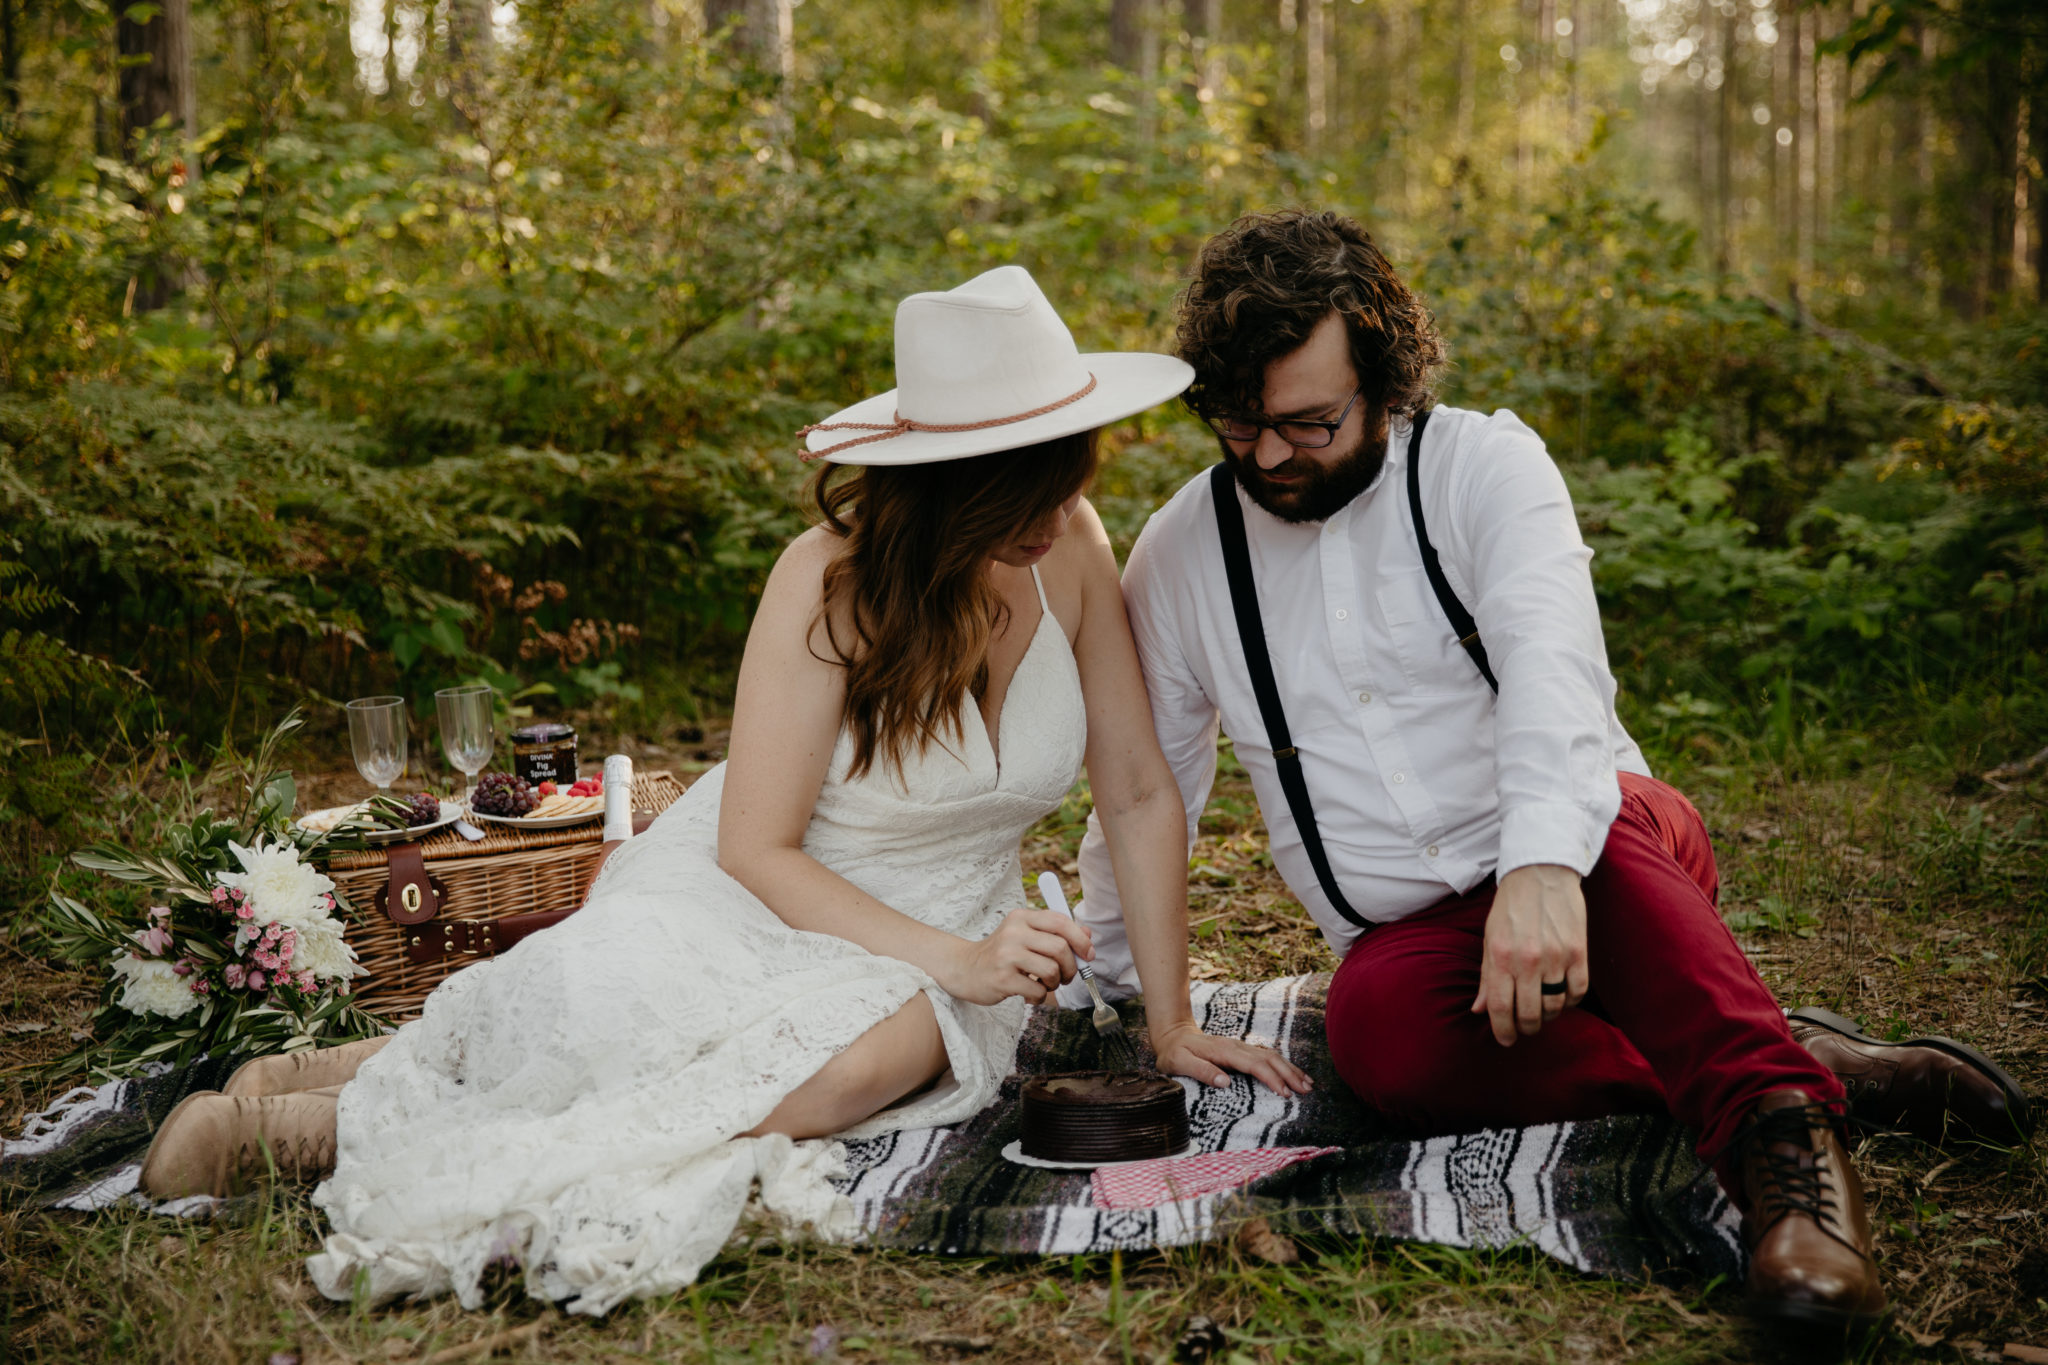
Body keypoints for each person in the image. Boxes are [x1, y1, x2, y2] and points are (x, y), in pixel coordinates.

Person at [137, 265, 1308, 1316]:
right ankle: (304, 1120)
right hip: (769, 891)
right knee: (630, 1017)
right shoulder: (823, 582)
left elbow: (1142, 794)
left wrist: (1166, 1020)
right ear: (952, 486)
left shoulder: (1070, 544)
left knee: (859, 1058)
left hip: (956, 931)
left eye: (1070, 482)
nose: (1058, 520)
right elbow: (757, 847)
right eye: (1030, 496)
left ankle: (336, 1092)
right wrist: (945, 961)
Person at [1061, 210, 2032, 1334]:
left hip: (1605, 853)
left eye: (1309, 423)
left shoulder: (1482, 464)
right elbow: (1148, 787)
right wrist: (1116, 987)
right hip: (1416, 942)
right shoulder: (1182, 554)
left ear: (1383, 376)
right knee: (1373, 1037)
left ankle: (1788, 1160)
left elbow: (1552, 678)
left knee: (1603, 840)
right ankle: (1804, 1056)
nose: (1273, 457)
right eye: (1241, 427)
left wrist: (1535, 867)